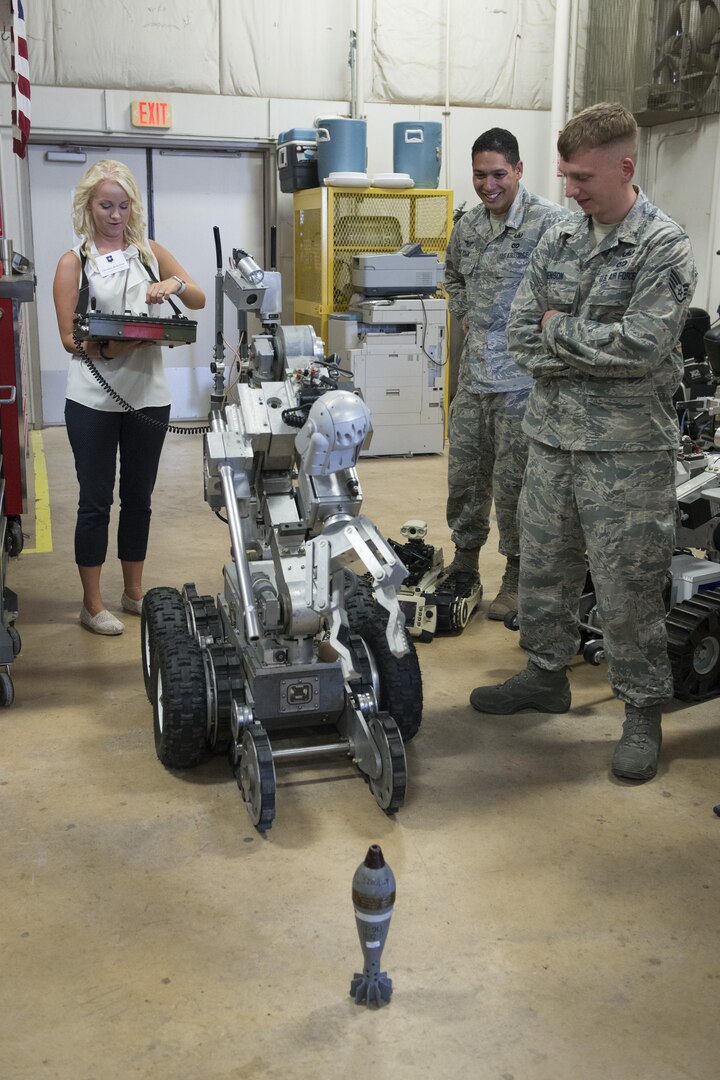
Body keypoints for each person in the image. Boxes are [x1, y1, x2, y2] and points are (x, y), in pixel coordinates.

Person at [469, 103, 697, 782]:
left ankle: (642, 708)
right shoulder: (561, 237)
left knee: (628, 586)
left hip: (626, 456)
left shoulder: (665, 245)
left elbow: (642, 344)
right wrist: (572, 343)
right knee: (544, 566)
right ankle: (545, 672)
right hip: (552, 442)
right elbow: (517, 330)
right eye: (565, 176)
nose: (570, 189)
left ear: (625, 167)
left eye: (582, 177)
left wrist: (560, 332)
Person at [53, 159, 206, 635]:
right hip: (92, 402)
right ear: (88, 206)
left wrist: (173, 283)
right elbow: (67, 338)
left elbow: (197, 297)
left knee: (138, 498)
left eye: (123, 206)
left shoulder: (149, 252)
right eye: (106, 206)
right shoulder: (72, 262)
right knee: (95, 502)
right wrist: (113, 346)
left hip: (148, 398)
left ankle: (133, 591)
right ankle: (92, 602)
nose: (115, 216)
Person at [442, 129, 568, 620]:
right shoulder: (468, 226)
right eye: (479, 174)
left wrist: (546, 329)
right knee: (466, 479)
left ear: (518, 170)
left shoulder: (552, 225)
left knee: (516, 484)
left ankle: (515, 573)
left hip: (524, 384)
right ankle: (466, 562)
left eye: (498, 174)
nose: (488, 185)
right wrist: (466, 310)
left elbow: (571, 288)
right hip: (473, 380)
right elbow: (451, 274)